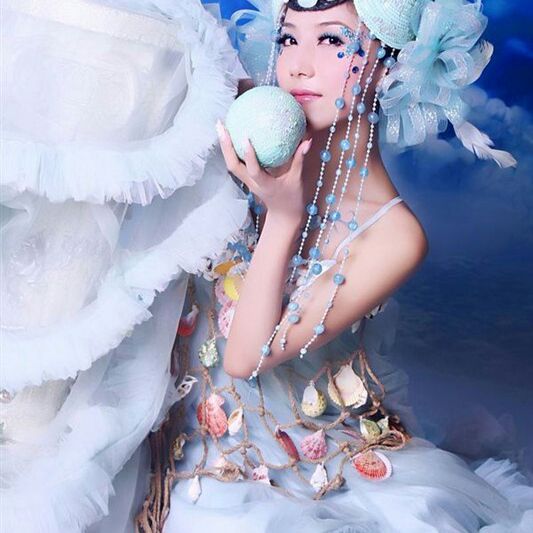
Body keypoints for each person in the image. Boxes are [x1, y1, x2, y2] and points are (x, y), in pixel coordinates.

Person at [136, 1, 533, 532]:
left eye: (331, 40)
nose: (299, 66)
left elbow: (246, 358)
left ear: (393, 66)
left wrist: (283, 217)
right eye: (288, 39)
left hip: (285, 467)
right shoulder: (251, 130)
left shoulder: (394, 234)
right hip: (159, 418)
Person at [0, 1, 251, 531]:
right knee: (34, 217)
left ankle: (29, 413)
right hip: (60, 29)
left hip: (133, 41)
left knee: (75, 254)